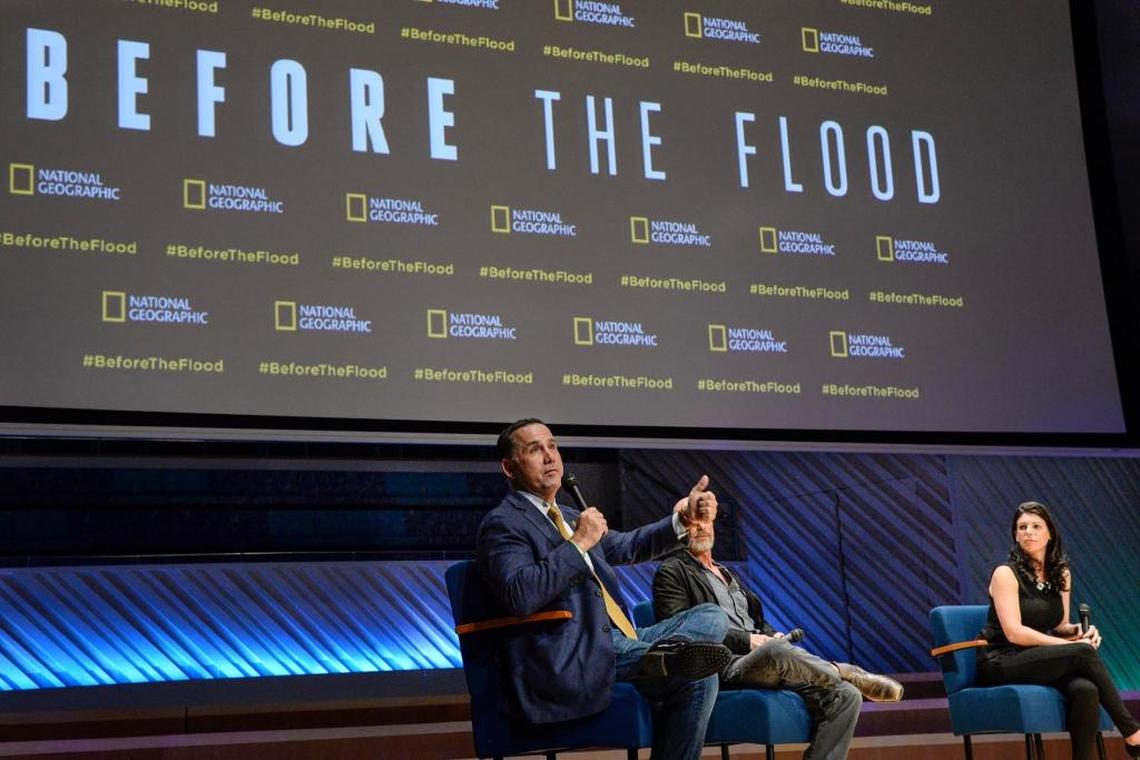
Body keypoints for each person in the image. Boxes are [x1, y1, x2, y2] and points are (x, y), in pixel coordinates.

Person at [476, 418, 733, 760]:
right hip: (573, 655)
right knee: (698, 676)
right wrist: (578, 543)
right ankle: (665, 656)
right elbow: (520, 594)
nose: (550, 456)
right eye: (535, 450)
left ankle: (660, 655)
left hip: (619, 641)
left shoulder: (567, 514)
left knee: (712, 617)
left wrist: (682, 520)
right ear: (509, 467)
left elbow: (628, 547)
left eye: (552, 446)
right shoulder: (503, 523)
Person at [654, 517, 904, 760]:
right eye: (690, 522)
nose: (699, 527)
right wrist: (746, 641)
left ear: (713, 526)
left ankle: (843, 678)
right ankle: (843, 669)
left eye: (704, 521)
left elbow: (755, 622)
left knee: (847, 696)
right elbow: (681, 630)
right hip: (723, 665)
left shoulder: (727, 572)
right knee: (775, 651)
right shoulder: (672, 571)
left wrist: (772, 634)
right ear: (678, 530)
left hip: (761, 660)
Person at [976, 501, 1140, 760]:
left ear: (1050, 533)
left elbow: (1060, 625)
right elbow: (1014, 633)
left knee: (1086, 690)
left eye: (1035, 526)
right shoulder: (1005, 573)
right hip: (1001, 660)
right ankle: (1133, 734)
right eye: (1022, 527)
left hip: (1038, 658)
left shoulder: (1060, 574)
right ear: (1015, 535)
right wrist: (1073, 648)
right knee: (1082, 655)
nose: (1028, 531)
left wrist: (1077, 632)